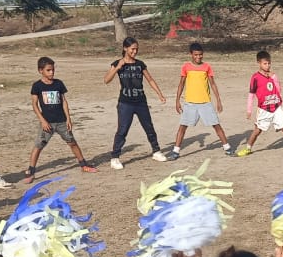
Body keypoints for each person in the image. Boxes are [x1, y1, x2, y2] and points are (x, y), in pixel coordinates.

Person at [25, 56, 98, 182]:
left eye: (53, 70)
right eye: (48, 70)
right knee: (38, 146)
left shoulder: (58, 84)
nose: (51, 72)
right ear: (40, 70)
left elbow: (64, 101)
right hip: (47, 123)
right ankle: (31, 171)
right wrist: (43, 121)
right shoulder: (37, 86)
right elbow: (34, 105)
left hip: (61, 121)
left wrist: (68, 119)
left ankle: (83, 165)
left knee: (72, 142)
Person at [105, 37, 170, 169]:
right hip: (125, 103)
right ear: (125, 48)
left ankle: (156, 151)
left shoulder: (140, 64)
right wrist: (118, 67)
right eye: (132, 49)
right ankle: (115, 157)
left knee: (149, 127)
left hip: (141, 102)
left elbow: (150, 80)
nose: (135, 51)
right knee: (122, 130)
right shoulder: (117, 63)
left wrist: (160, 94)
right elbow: (106, 80)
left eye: (136, 49)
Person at [171, 42, 233, 159]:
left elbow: (212, 84)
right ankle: (176, 151)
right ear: (191, 54)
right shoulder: (186, 67)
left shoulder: (207, 67)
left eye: (200, 54)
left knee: (216, 125)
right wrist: (177, 100)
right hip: (190, 103)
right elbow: (181, 84)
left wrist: (218, 100)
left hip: (205, 103)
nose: (198, 57)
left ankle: (227, 147)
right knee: (183, 126)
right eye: (196, 55)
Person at [237, 50, 283, 158]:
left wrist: (274, 78)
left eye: (269, 63)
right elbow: (251, 94)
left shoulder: (273, 76)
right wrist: (249, 110)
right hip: (264, 109)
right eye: (265, 63)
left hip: (276, 107)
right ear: (259, 63)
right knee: (257, 130)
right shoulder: (255, 77)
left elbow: (279, 90)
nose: (268, 66)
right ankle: (248, 148)